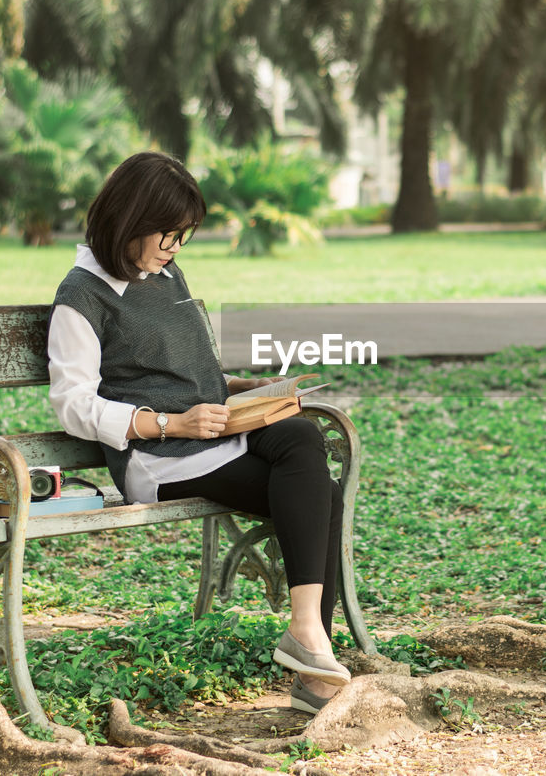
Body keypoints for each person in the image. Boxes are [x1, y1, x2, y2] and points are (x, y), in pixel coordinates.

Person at [47, 151, 348, 714]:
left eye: (183, 235)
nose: (176, 247)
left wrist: (242, 388)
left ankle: (307, 634)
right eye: (168, 233)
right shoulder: (82, 297)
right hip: (162, 460)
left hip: (216, 431)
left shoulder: (164, 273)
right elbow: (72, 404)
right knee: (321, 495)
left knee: (303, 436)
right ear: (130, 220)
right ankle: (313, 662)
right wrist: (168, 423)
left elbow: (183, 367)